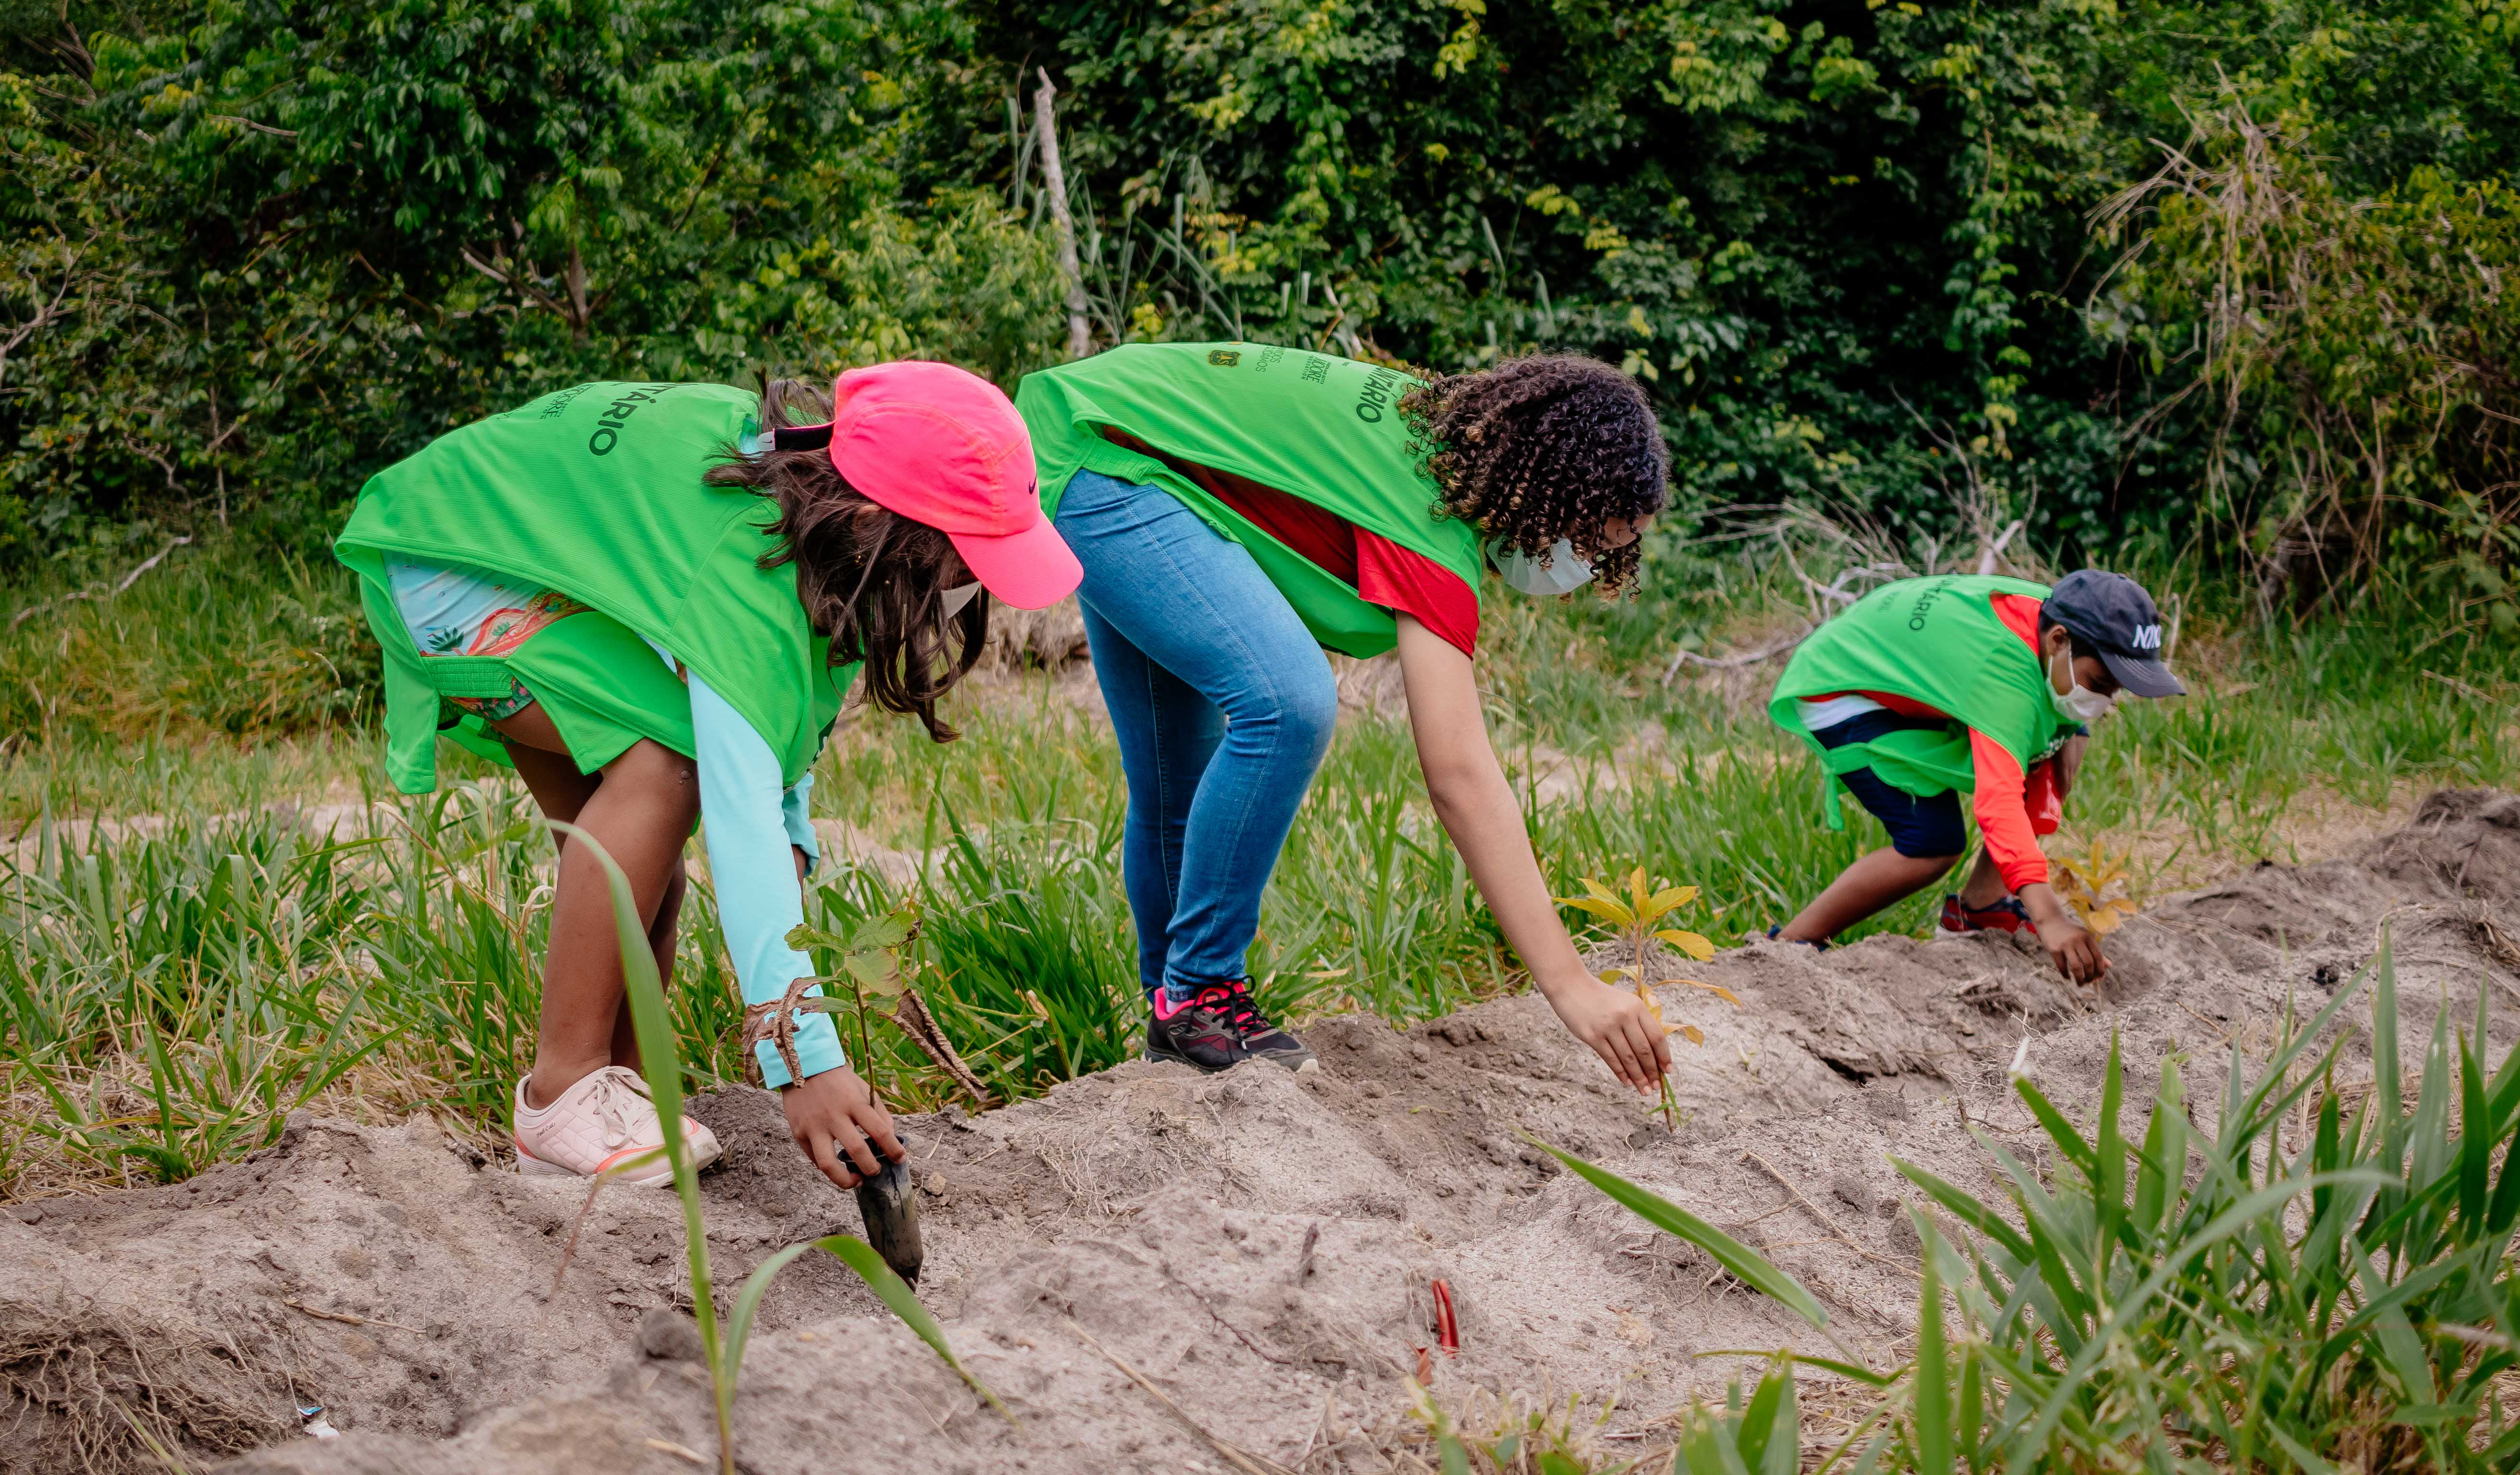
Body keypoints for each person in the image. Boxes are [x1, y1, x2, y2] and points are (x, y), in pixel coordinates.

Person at [335, 366, 1080, 1187]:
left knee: (639, 840)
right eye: (961, 560)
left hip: (499, 542)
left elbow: (784, 712)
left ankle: (617, 1100)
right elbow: (738, 803)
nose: (965, 586)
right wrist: (803, 1057)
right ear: (877, 522)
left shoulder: (816, 517)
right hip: (454, 564)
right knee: (671, 769)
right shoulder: (744, 568)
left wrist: (792, 833)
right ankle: (562, 1090)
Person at [1016, 342, 1674, 1094]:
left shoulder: (1434, 439)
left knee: (1175, 778)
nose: (1581, 568)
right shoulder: (1425, 522)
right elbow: (1458, 772)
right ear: (1548, 491)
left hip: (1091, 438)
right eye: (1589, 542)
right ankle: (1200, 994)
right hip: (1106, 459)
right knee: (1288, 703)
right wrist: (1571, 984)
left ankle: (1177, 1019)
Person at [1765, 567, 2185, 982]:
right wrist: (2049, 918)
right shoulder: (2002, 674)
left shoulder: (2054, 622)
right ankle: (1790, 946)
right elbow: (1998, 802)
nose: (2106, 700)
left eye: (2116, 690)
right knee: (1931, 842)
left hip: (1908, 665)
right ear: (2058, 641)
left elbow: (2055, 720)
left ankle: (1980, 909)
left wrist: (2064, 737)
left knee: (2067, 740)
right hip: (1842, 684)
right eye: (2100, 682)